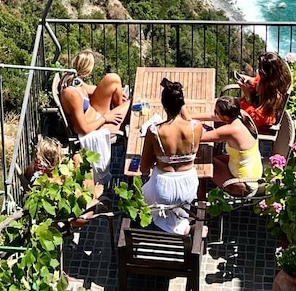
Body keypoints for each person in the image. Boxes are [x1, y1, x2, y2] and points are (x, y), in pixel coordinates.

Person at [139, 78, 200, 234]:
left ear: (164, 106)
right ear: (181, 104)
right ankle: (182, 226)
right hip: (188, 187)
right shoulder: (196, 127)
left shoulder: (154, 131)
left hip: (163, 190)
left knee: (146, 194)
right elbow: (187, 119)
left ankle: (172, 229)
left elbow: (144, 166)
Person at [59, 49, 128, 186]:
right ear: (88, 70)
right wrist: (105, 118)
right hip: (94, 125)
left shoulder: (73, 79)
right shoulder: (71, 94)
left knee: (112, 79)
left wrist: (117, 91)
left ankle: (121, 109)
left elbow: (91, 89)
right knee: (133, 105)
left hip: (95, 112)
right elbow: (82, 128)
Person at [26, 137, 101, 224]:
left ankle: (94, 193)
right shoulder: (61, 178)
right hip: (81, 216)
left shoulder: (40, 179)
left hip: (79, 213)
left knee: (78, 161)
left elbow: (28, 174)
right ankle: (94, 193)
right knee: (79, 159)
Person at [198, 96, 262, 194]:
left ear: (226, 117)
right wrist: (189, 117)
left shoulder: (232, 130)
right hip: (250, 170)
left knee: (203, 160)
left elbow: (197, 138)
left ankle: (200, 198)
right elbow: (213, 117)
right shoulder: (242, 114)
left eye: (216, 112)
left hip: (243, 184)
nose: (215, 114)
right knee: (209, 156)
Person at [235, 51, 292, 129]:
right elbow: (257, 81)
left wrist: (247, 95)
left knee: (219, 111)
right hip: (246, 111)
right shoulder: (268, 83)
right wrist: (250, 83)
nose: (259, 72)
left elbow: (253, 120)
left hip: (250, 127)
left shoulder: (274, 97)